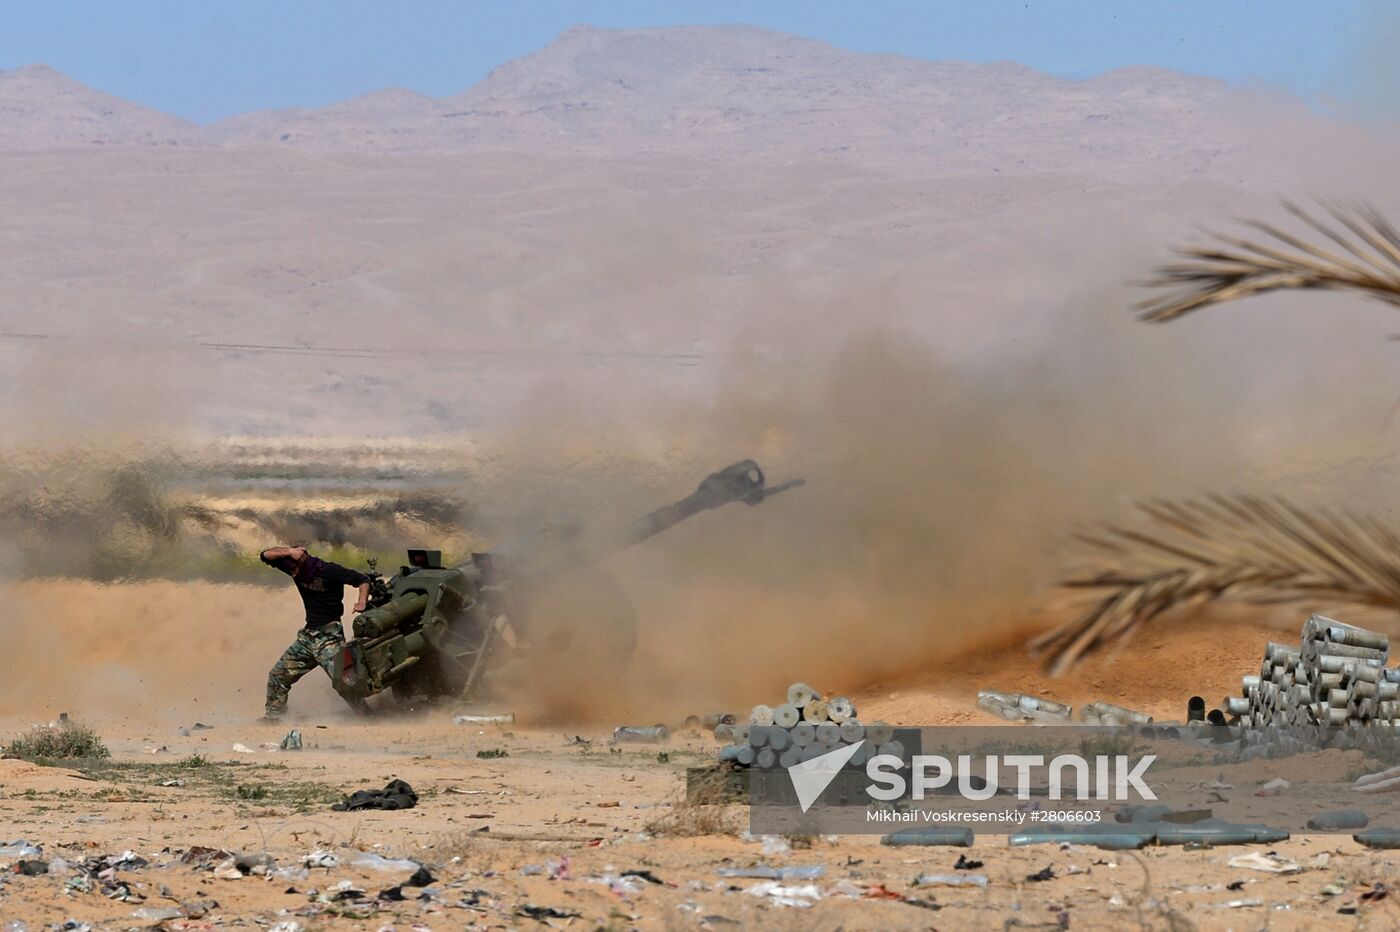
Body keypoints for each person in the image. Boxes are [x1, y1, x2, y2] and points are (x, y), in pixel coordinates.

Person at [259, 545, 370, 721]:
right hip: (307, 637)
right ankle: (274, 718)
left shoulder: (329, 570)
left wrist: (361, 602)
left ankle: (367, 716)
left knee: (344, 682)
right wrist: (289, 551)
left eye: (295, 569)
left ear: (303, 563)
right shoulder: (294, 566)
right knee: (278, 674)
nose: (293, 573)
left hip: (329, 637)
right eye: (290, 570)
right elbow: (265, 555)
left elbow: (362, 579)